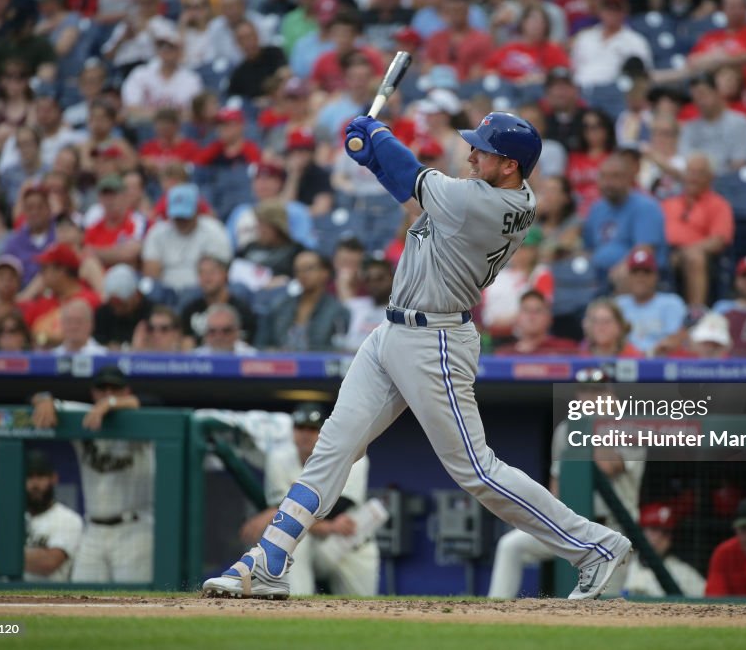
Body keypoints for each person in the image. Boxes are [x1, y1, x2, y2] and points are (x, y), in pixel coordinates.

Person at [204, 111, 633, 600]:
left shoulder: (482, 203)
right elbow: (407, 187)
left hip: (436, 339)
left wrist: (375, 133)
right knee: (332, 449)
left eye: (483, 150)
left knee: (475, 469)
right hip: (393, 331)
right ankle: (271, 560)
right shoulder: (494, 194)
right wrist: (372, 158)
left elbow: (410, 174)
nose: (472, 155)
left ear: (510, 166)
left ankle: (594, 546)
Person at [487, 403, 646, 600]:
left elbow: (609, 466)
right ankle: (494, 609)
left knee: (606, 600)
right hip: (573, 527)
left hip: (614, 529)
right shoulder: (566, 428)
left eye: (599, 390)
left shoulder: (631, 428)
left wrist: (591, 428)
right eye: (585, 390)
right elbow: (556, 483)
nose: (592, 397)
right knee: (511, 545)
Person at [240, 403, 381, 595]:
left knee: (363, 613)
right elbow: (288, 517)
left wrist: (278, 510)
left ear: (324, 431)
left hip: (350, 544)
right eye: (300, 427)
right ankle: (299, 605)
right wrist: (325, 526)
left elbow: (334, 508)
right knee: (290, 536)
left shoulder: (353, 458)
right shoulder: (279, 459)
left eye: (312, 428)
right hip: (312, 541)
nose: (306, 434)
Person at [30, 366, 152, 583]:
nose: (107, 393)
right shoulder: (85, 415)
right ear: (93, 393)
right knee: (80, 599)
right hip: (93, 530)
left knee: (135, 602)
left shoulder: (140, 416)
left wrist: (111, 404)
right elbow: (40, 398)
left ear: (126, 391)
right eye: (102, 389)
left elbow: (156, 401)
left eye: (114, 388)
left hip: (134, 529)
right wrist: (43, 399)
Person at [0, 450, 83, 582]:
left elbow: (48, 563)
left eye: (41, 476)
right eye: (29, 477)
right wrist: (34, 557)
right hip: (8, 596)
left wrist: (0, 555)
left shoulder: (69, 519)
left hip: (51, 597)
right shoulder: (4, 517)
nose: (35, 484)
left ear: (53, 478)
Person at [582, 147, 666, 280]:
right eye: (603, 176)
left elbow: (644, 250)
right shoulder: (597, 209)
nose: (608, 183)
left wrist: (618, 273)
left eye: (615, 176)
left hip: (638, 276)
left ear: (629, 178)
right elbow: (588, 249)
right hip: (598, 275)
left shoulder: (646, 206)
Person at [663, 154, 735, 308]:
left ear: (710, 177)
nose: (693, 178)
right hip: (667, 252)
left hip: (702, 257)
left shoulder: (719, 205)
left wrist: (685, 252)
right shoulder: (668, 203)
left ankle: (696, 312)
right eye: (690, 172)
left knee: (694, 258)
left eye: (699, 173)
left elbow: (718, 241)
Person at [141, 183, 232, 292]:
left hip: (201, 292)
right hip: (166, 292)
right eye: (177, 216)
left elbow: (218, 274)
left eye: (185, 216)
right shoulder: (158, 232)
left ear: (196, 210)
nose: (181, 221)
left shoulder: (214, 230)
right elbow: (151, 275)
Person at [621, 503, 705, 598]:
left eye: (665, 532)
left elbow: (709, 603)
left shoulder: (684, 573)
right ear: (641, 531)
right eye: (654, 529)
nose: (659, 537)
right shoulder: (622, 563)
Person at [614, 248, 686, 356]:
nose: (640, 278)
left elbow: (675, 339)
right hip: (625, 362)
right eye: (635, 272)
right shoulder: (618, 304)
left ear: (656, 276)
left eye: (646, 272)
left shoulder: (671, 303)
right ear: (628, 277)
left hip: (660, 363)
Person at [678, 73, 746, 172]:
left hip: (729, 181)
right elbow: (685, 161)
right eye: (695, 97)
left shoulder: (740, 123)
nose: (699, 101)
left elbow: (740, 164)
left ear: (717, 92)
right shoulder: (689, 128)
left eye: (703, 94)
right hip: (698, 181)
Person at [569, 0, 651, 87]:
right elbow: (573, 67)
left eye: (615, 10)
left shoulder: (635, 41)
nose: (611, 14)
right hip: (581, 88)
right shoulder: (585, 37)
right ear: (600, 12)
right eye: (607, 9)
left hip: (613, 91)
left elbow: (641, 76)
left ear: (624, 13)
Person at [180, 255, 257, 349]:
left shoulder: (241, 310)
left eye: (212, 272)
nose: (207, 278)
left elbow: (245, 345)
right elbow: (185, 342)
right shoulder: (190, 310)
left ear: (225, 274)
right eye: (202, 273)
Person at [495, 289, 578, 356]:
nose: (532, 316)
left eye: (537, 311)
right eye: (526, 310)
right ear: (518, 318)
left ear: (549, 318)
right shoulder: (505, 354)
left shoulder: (566, 350)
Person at [94, 264, 152, 350]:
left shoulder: (150, 313)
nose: (116, 309)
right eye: (112, 303)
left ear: (137, 295)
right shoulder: (103, 313)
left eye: (120, 304)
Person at [342, 258, 394, 352]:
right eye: (368, 280)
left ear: (393, 278)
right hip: (352, 360)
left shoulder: (402, 311)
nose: (374, 284)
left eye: (380, 278)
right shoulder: (355, 306)